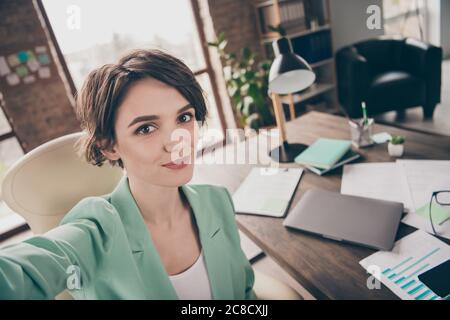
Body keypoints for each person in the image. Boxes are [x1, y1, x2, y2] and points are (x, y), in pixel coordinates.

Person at [0, 49, 256, 300]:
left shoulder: (218, 201)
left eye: (184, 117)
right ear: (109, 146)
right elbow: (21, 270)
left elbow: (244, 292)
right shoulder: (95, 231)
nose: (177, 141)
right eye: (146, 128)